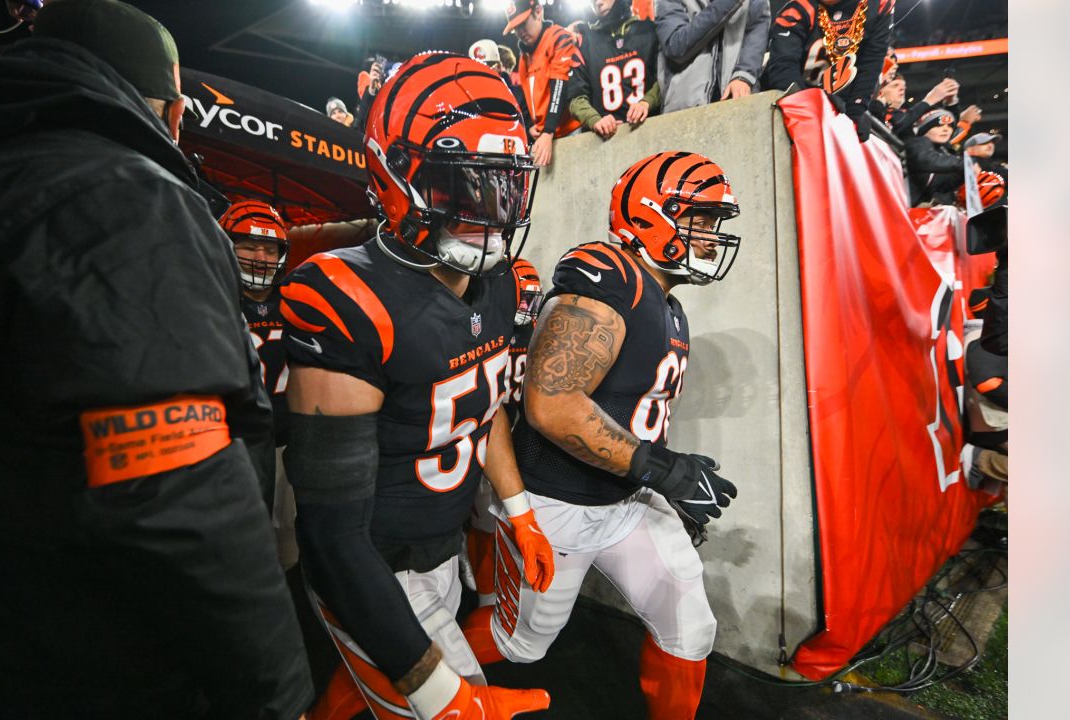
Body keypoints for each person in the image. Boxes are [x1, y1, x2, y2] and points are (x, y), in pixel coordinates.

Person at [0, 1, 313, 717]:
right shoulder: (127, 196)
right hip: (98, 646)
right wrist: (277, 692)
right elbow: (173, 490)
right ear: (171, 111)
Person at [281, 51, 555, 720]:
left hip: (442, 546)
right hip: (374, 564)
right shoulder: (346, 294)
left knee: (366, 687)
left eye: (501, 186)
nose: (488, 211)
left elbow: (481, 403)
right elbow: (332, 536)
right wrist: (439, 693)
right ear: (393, 172)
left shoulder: (493, 286)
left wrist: (517, 511)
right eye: (460, 186)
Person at [462, 151, 742, 720]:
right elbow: (551, 404)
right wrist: (662, 469)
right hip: (556, 502)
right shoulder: (609, 278)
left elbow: (628, 410)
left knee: (689, 623)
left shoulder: (669, 302)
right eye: (701, 219)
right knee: (521, 643)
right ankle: (404, 675)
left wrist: (660, 478)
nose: (712, 237)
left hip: (624, 499)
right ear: (650, 217)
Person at [220, 199, 303, 566]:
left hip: (289, 443)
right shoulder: (214, 300)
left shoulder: (298, 303)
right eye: (249, 245)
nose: (260, 257)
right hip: (234, 445)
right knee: (238, 542)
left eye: (270, 248)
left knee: (289, 543)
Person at [465, 258, 546, 608]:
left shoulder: (543, 332)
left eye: (531, 299)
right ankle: (485, 593)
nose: (525, 308)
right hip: (484, 436)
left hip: (516, 439)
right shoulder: (483, 328)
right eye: (520, 298)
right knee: (482, 518)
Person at [767, 0, 896, 142]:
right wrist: (814, 105)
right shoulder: (798, 7)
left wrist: (857, 107)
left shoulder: (879, 5)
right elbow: (783, 67)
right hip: (794, 106)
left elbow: (871, 61)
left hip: (840, 106)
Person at [504, 0, 585, 167]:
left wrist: (548, 130)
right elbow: (528, 99)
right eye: (515, 28)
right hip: (543, 135)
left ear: (538, 12)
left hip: (568, 131)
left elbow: (559, 85)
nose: (520, 32)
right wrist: (532, 127)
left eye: (523, 23)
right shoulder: (523, 58)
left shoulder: (559, 37)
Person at [653, 0, 771, 113]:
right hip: (686, 107)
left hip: (737, 99)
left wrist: (743, 76)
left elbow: (757, 30)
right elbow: (676, 46)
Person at [568, 0, 662, 140]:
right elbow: (575, 96)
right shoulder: (585, 41)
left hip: (649, 134)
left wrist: (647, 102)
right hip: (605, 143)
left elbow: (667, 78)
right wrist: (594, 119)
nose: (598, 3)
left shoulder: (649, 31)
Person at [905, 108, 965, 206]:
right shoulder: (916, 142)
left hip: (910, 208)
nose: (946, 129)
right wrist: (962, 163)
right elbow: (927, 160)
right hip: (895, 203)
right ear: (925, 128)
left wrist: (963, 174)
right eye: (939, 125)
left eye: (950, 126)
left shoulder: (941, 152)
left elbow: (942, 187)